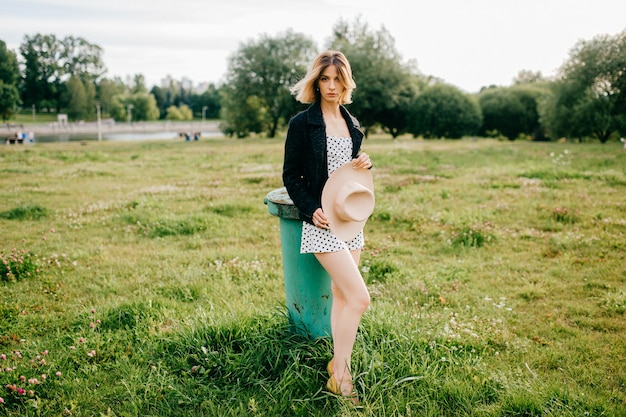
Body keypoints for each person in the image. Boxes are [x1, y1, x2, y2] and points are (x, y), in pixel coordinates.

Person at [282, 50, 373, 405]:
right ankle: (341, 376)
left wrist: (363, 163)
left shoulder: (352, 126)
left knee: (342, 296)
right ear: (315, 81)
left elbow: (347, 174)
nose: (331, 86)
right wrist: (311, 209)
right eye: (324, 79)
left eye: (337, 79)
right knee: (360, 298)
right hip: (321, 223)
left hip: (350, 221)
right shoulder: (302, 124)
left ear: (346, 82)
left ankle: (336, 361)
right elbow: (291, 176)